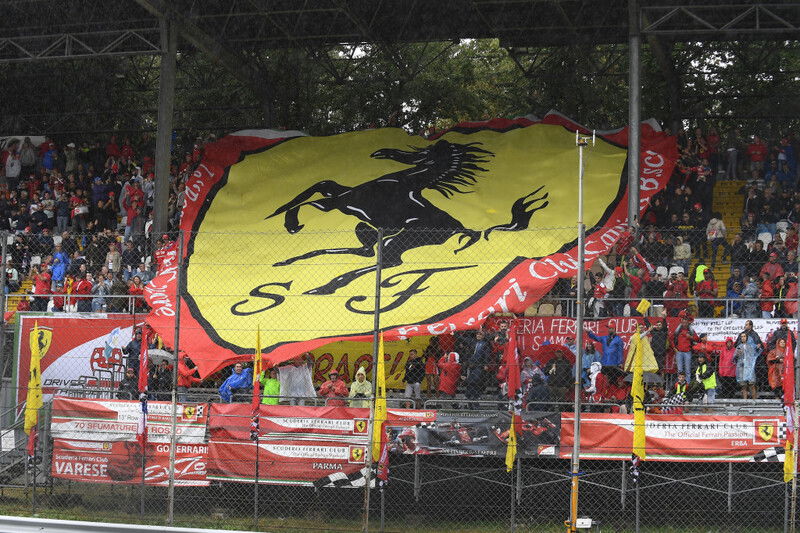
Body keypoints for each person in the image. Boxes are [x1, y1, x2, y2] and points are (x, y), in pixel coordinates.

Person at [734, 332, 759, 400]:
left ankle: (754, 401)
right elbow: (734, 359)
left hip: (749, 368)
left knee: (752, 384)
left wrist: (757, 348)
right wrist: (737, 355)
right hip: (741, 368)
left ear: (747, 338)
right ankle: (745, 401)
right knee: (743, 385)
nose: (743, 338)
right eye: (741, 336)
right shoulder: (738, 347)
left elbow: (756, 354)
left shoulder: (751, 346)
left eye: (744, 336)